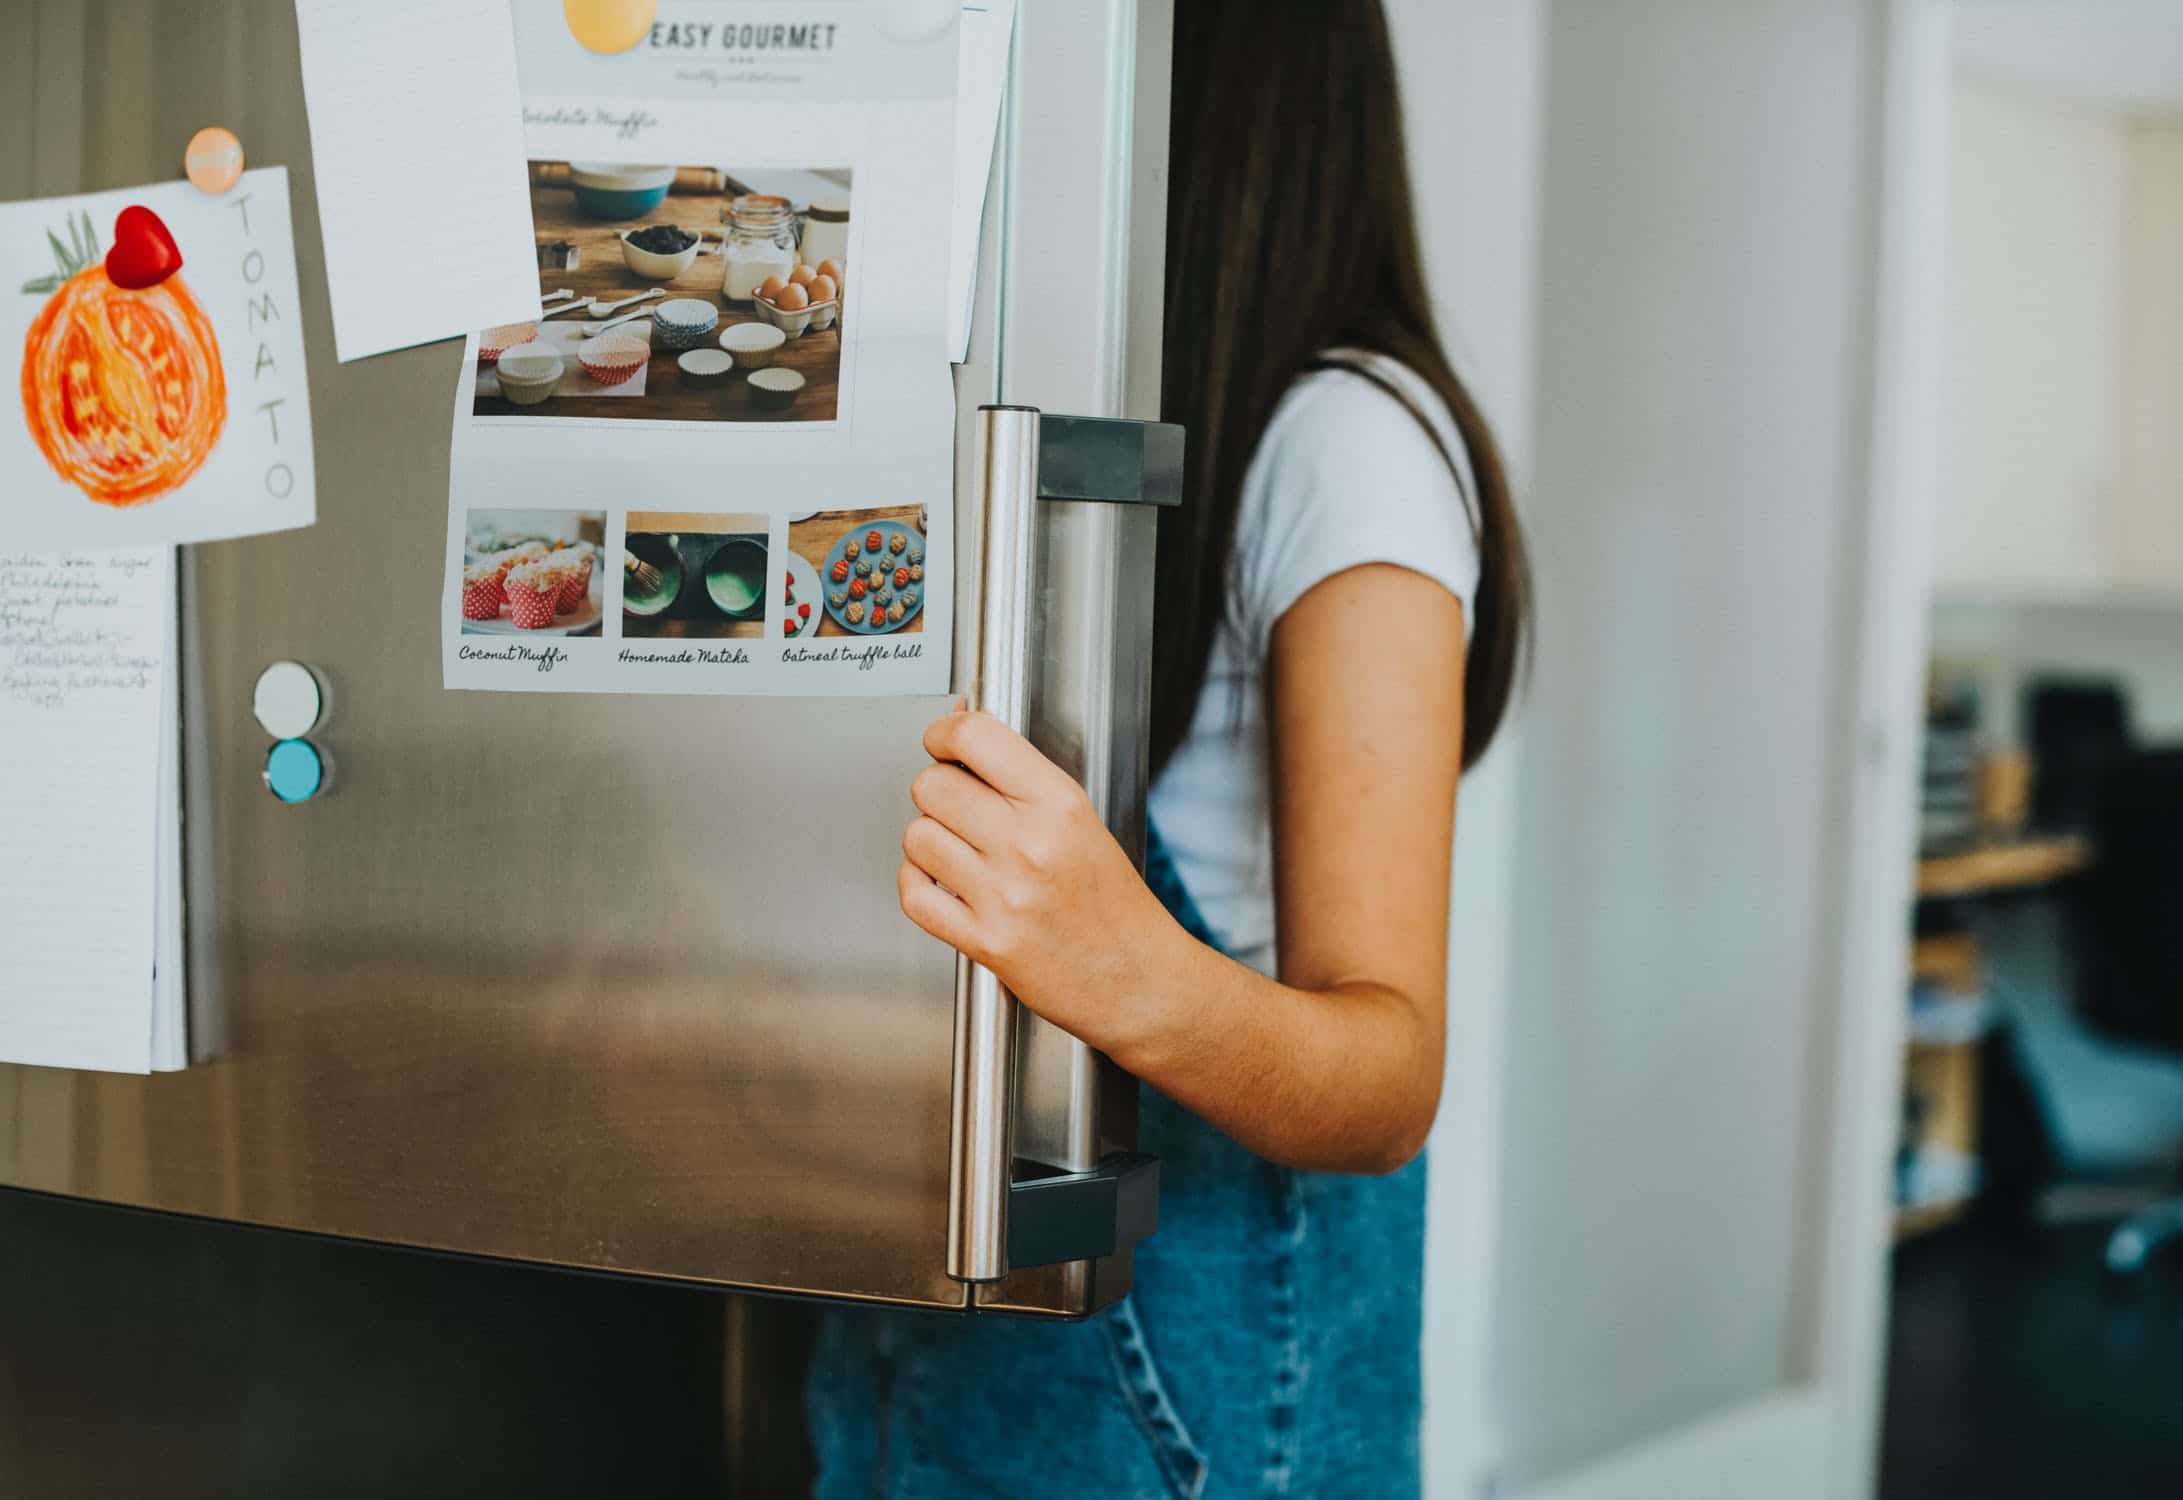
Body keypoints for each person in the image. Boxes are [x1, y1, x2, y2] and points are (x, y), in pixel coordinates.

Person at [807, 0, 1530, 1493]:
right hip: (925, 1364)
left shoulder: (1351, 444)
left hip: (1181, 1416)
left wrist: (1116, 960)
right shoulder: (1071, 426)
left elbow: (1390, 1072)